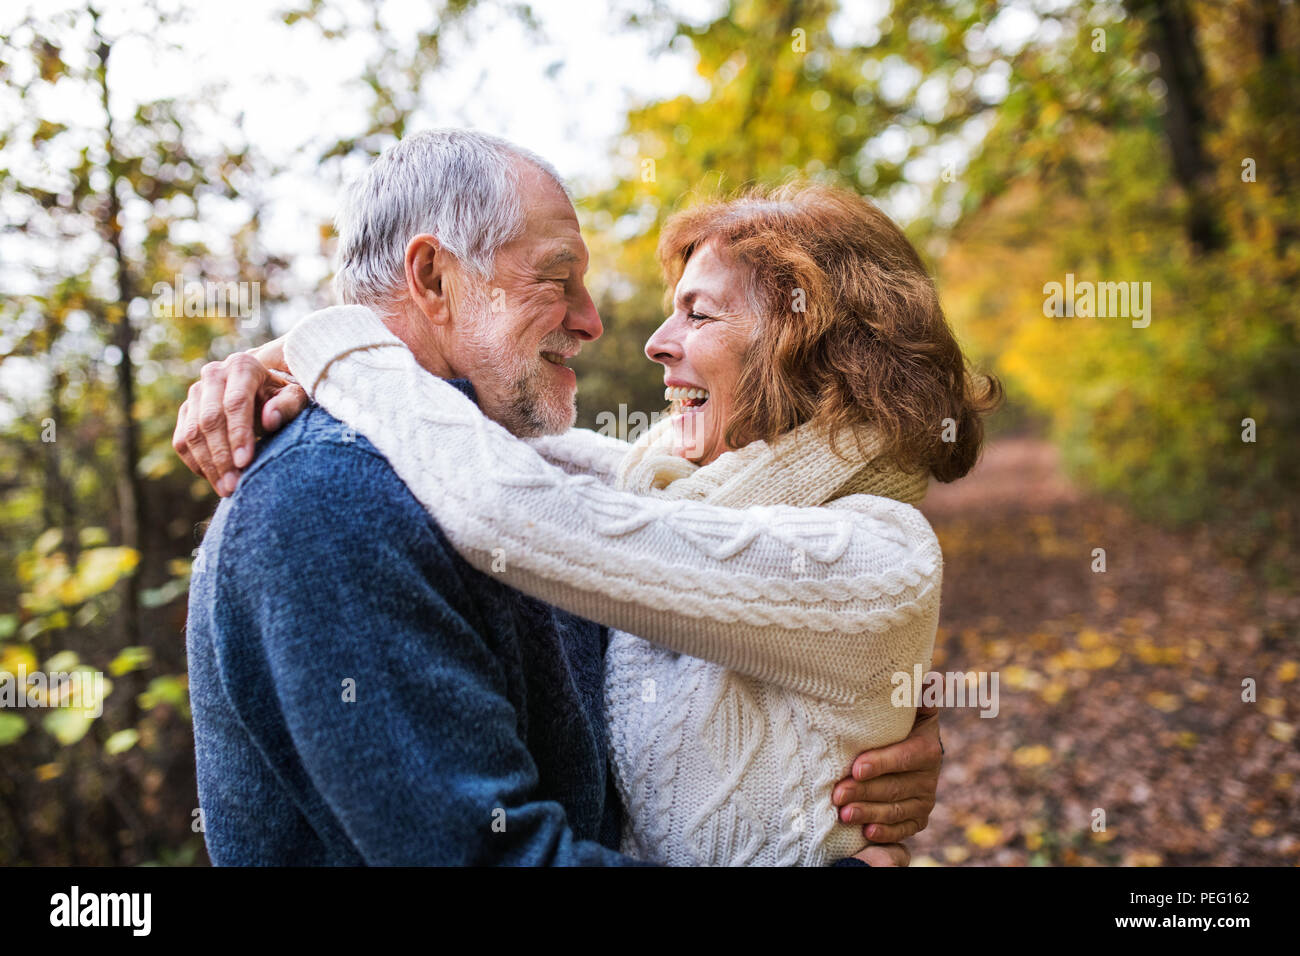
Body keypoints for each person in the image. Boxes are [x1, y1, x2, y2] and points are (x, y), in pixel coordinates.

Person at [176, 129, 948, 865]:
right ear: (435, 279)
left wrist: (842, 750)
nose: (601, 324)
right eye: (557, 278)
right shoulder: (331, 499)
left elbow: (541, 516)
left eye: (698, 312)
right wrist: (304, 350)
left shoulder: (548, 489)